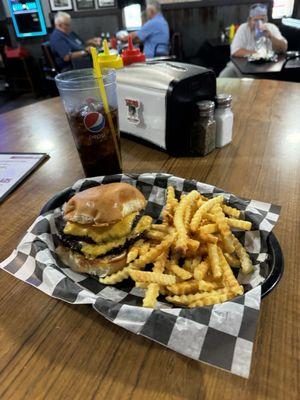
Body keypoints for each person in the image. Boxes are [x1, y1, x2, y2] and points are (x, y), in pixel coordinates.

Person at [219, 3, 287, 78]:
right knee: (223, 76)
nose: (259, 23)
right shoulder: (243, 28)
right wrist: (259, 55)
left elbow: (283, 48)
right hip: (241, 67)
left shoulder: (272, 28)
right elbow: (235, 51)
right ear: (249, 20)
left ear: (266, 19)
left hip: (267, 68)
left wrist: (270, 36)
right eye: (256, 20)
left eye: (262, 19)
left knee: (250, 82)